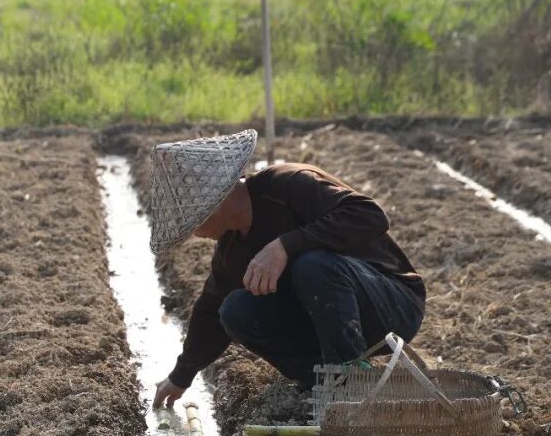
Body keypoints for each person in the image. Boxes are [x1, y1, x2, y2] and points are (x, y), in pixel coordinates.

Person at [148, 129, 426, 409]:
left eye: (194, 221)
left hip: (392, 305)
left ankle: (349, 382)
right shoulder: (232, 247)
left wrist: (285, 245)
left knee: (313, 265)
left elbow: (371, 216)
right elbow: (210, 309)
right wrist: (181, 376)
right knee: (234, 310)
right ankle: (322, 381)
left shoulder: (289, 185)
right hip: (328, 322)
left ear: (215, 203)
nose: (195, 233)